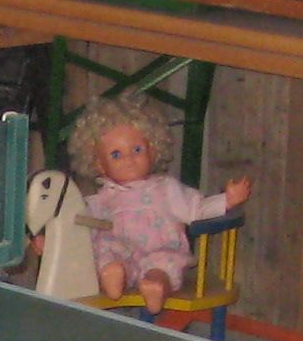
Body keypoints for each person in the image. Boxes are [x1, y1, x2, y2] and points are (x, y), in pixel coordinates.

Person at [66, 92, 248, 316]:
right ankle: (113, 275)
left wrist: (226, 200)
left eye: (137, 150)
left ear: (152, 151)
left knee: (164, 264)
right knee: (105, 251)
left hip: (159, 251)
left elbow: (196, 208)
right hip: (122, 252)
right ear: (99, 165)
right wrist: (49, 240)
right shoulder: (100, 200)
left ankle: (157, 285)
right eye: (116, 154)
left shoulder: (166, 189)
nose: (128, 159)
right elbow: (76, 225)